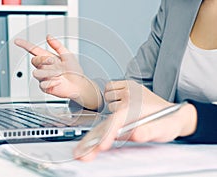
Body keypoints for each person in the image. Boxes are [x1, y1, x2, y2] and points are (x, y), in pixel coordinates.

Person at [15, 0, 217, 161]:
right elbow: (138, 89)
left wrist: (182, 117)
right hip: (170, 158)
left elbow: (158, 107)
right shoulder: (176, 5)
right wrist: (85, 90)